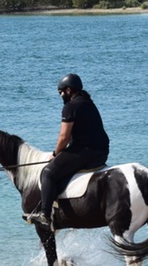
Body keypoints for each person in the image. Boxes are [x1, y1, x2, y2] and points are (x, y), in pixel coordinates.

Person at [25, 73, 109, 231]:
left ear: (69, 90)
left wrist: (55, 154)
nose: (61, 96)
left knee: (48, 173)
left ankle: (45, 214)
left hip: (85, 151)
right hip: (102, 151)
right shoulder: (89, 103)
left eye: (61, 92)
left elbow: (64, 137)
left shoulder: (70, 107)